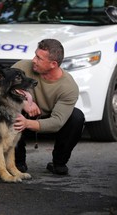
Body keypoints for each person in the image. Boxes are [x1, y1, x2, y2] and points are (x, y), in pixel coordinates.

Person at [13, 38, 85, 175]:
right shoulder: (22, 67)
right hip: (24, 114)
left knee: (77, 117)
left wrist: (27, 123)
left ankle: (59, 162)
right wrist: (24, 101)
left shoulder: (69, 87)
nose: (34, 60)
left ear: (53, 64)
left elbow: (57, 122)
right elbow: (1, 90)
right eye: (35, 55)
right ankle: (18, 162)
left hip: (47, 120)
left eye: (39, 58)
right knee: (11, 112)